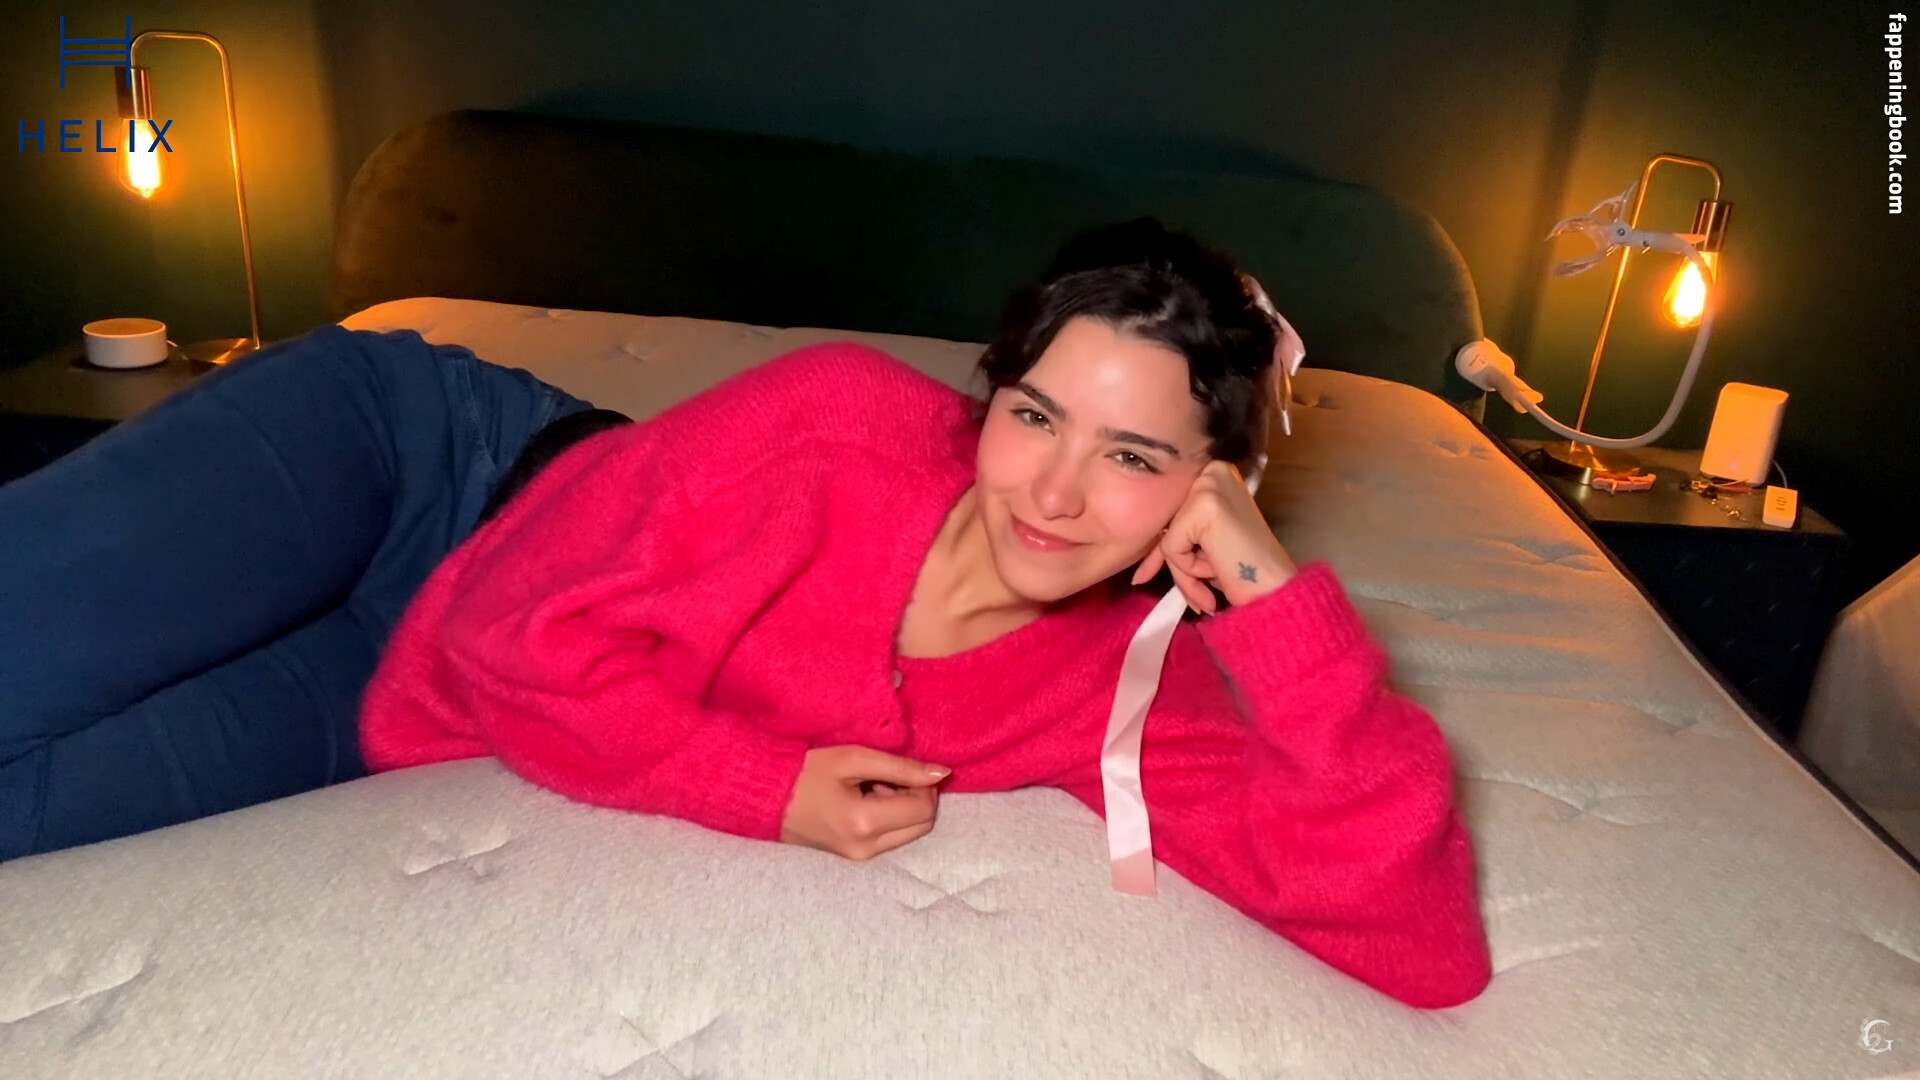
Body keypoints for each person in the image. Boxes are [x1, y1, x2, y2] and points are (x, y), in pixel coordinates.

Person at [1, 218, 1491, 1008]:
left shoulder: (1119, 694)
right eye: (1035, 415)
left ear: (1207, 490)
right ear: (989, 395)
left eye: (1133, 458)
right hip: (422, 469)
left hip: (432, 678)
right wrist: (757, 786)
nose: (1050, 492)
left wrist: (1280, 610)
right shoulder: (832, 422)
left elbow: (1420, 946)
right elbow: (513, 626)